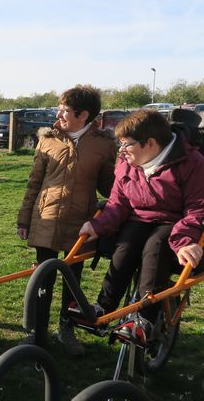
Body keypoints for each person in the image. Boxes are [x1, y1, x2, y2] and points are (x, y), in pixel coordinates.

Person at [79, 109, 204, 344]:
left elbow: (197, 209)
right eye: (120, 144)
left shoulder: (192, 162)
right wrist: (98, 225)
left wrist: (184, 242)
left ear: (151, 143)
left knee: (156, 245)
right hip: (138, 219)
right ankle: (103, 308)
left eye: (127, 144)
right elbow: (118, 202)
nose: (121, 150)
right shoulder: (126, 162)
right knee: (126, 244)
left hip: (174, 221)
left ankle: (143, 320)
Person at [17, 85, 116, 355]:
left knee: (73, 278)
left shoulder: (104, 144)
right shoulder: (48, 139)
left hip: (80, 223)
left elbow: (111, 187)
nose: (59, 114)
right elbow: (34, 182)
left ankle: (66, 329)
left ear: (83, 115)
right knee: (43, 278)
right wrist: (24, 219)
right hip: (46, 217)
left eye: (65, 110)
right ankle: (37, 332)